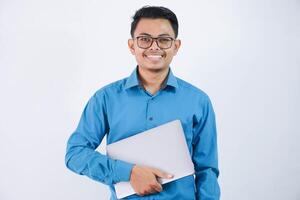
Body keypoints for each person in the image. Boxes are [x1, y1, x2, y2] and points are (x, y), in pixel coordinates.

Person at [65, 5, 220, 200]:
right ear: (132, 46)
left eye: (164, 40)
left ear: (176, 46)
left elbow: (207, 170)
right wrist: (128, 172)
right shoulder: (105, 99)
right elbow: (75, 154)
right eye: (145, 39)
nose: (154, 47)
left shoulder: (199, 101)